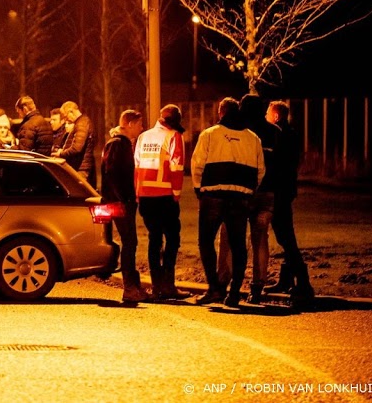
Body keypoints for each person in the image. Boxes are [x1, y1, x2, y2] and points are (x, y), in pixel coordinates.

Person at [192, 97, 265, 307]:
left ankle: (214, 288)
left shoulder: (209, 134)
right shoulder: (253, 139)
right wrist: (249, 190)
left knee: (206, 241)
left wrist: (199, 189)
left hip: (213, 195)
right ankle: (234, 294)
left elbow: (197, 164)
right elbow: (261, 170)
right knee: (238, 245)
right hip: (240, 198)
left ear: (220, 112)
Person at [217, 93, 280, 303]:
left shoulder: (241, 133)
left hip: (241, 192)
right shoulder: (274, 132)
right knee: (260, 239)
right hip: (268, 191)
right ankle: (257, 287)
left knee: (229, 236)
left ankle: (225, 282)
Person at [134, 103, 190, 301]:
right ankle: (168, 285)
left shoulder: (144, 136)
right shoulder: (174, 136)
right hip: (165, 196)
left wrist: (138, 194)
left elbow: (137, 167)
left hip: (146, 197)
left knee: (154, 239)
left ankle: (157, 286)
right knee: (172, 239)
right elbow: (177, 168)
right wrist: (176, 194)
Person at [264, 100, 314, 305]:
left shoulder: (279, 135)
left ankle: (303, 283)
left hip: (280, 191)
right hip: (286, 189)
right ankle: (286, 280)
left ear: (276, 116)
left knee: (286, 237)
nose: (266, 116)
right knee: (285, 236)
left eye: (268, 113)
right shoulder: (290, 133)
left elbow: (277, 164)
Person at [101, 109, 148, 303]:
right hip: (120, 203)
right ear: (129, 124)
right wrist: (124, 199)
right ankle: (129, 288)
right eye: (139, 124)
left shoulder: (121, 143)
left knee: (131, 242)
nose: (141, 128)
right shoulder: (118, 144)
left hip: (122, 201)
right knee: (129, 243)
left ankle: (133, 285)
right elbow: (112, 174)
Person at [54, 100, 97, 188]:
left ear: (71, 111)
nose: (66, 120)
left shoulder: (82, 124)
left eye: (66, 116)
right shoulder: (82, 122)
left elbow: (77, 148)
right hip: (81, 166)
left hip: (81, 168)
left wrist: (61, 153)